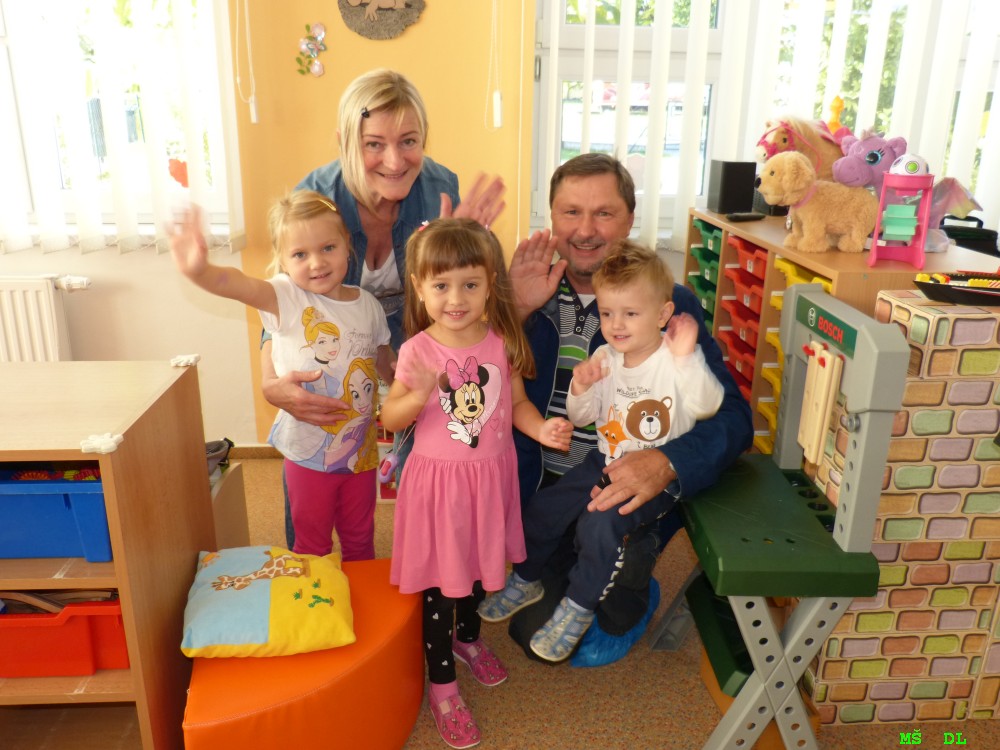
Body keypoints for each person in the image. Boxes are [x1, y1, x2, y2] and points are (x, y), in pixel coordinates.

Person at [507, 153, 754, 667]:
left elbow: (733, 419)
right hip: (547, 488)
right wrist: (515, 310)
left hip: (625, 487)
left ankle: (634, 587)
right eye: (571, 212)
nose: (585, 230)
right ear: (551, 218)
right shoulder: (527, 293)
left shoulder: (667, 303)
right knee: (498, 605)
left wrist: (667, 462)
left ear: (630, 219)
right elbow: (466, 390)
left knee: (583, 644)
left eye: (604, 213)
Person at [258, 68, 504, 548]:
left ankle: (431, 554)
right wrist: (272, 383)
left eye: (409, 141)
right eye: (374, 144)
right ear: (345, 142)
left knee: (435, 428)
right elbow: (281, 301)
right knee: (310, 445)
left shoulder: (440, 189)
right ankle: (305, 565)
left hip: (411, 324)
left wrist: (464, 247)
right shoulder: (316, 197)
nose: (394, 161)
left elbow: (456, 289)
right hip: (332, 331)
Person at [479, 240, 724, 662]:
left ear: (663, 314)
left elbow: (708, 405)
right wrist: (581, 386)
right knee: (544, 509)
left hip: (652, 478)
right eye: (608, 313)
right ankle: (526, 578)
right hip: (604, 458)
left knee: (599, 526)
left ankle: (578, 607)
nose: (616, 324)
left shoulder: (676, 358)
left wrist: (687, 359)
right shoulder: (606, 356)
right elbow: (583, 416)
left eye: (630, 314)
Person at [380, 218, 572, 749]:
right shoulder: (417, 350)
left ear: (491, 285)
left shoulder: (502, 343)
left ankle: (467, 639)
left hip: (489, 482)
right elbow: (391, 417)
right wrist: (416, 395)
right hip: (439, 489)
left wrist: (542, 429)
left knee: (481, 572)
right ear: (419, 287)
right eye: (441, 285)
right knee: (443, 585)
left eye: (470, 284)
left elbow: (519, 404)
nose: (455, 298)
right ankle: (442, 684)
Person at [171, 191, 393, 560]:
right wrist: (200, 271)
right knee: (312, 546)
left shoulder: (368, 304)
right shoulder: (285, 297)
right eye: (300, 254)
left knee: (360, 540)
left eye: (327, 247)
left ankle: (356, 597)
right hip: (307, 454)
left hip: (361, 452)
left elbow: (383, 357)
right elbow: (234, 283)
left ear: (347, 244)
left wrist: (405, 383)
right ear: (283, 260)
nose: (316, 263)